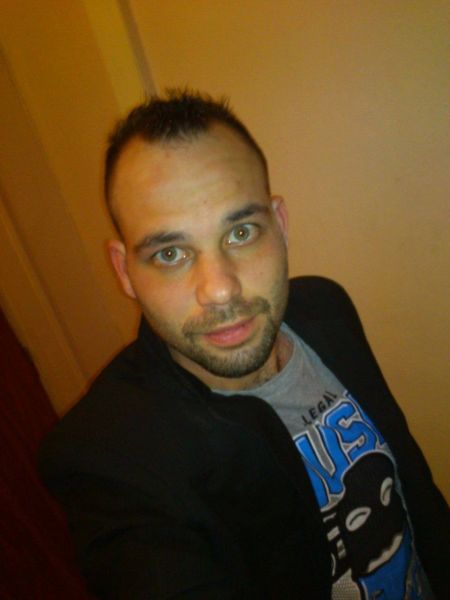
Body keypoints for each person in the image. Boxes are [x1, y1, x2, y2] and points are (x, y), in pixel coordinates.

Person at [39, 90, 449, 599]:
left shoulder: (326, 308)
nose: (220, 289)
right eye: (170, 253)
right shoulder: (111, 459)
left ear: (280, 225)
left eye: (240, 233)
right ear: (125, 272)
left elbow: (415, 488)